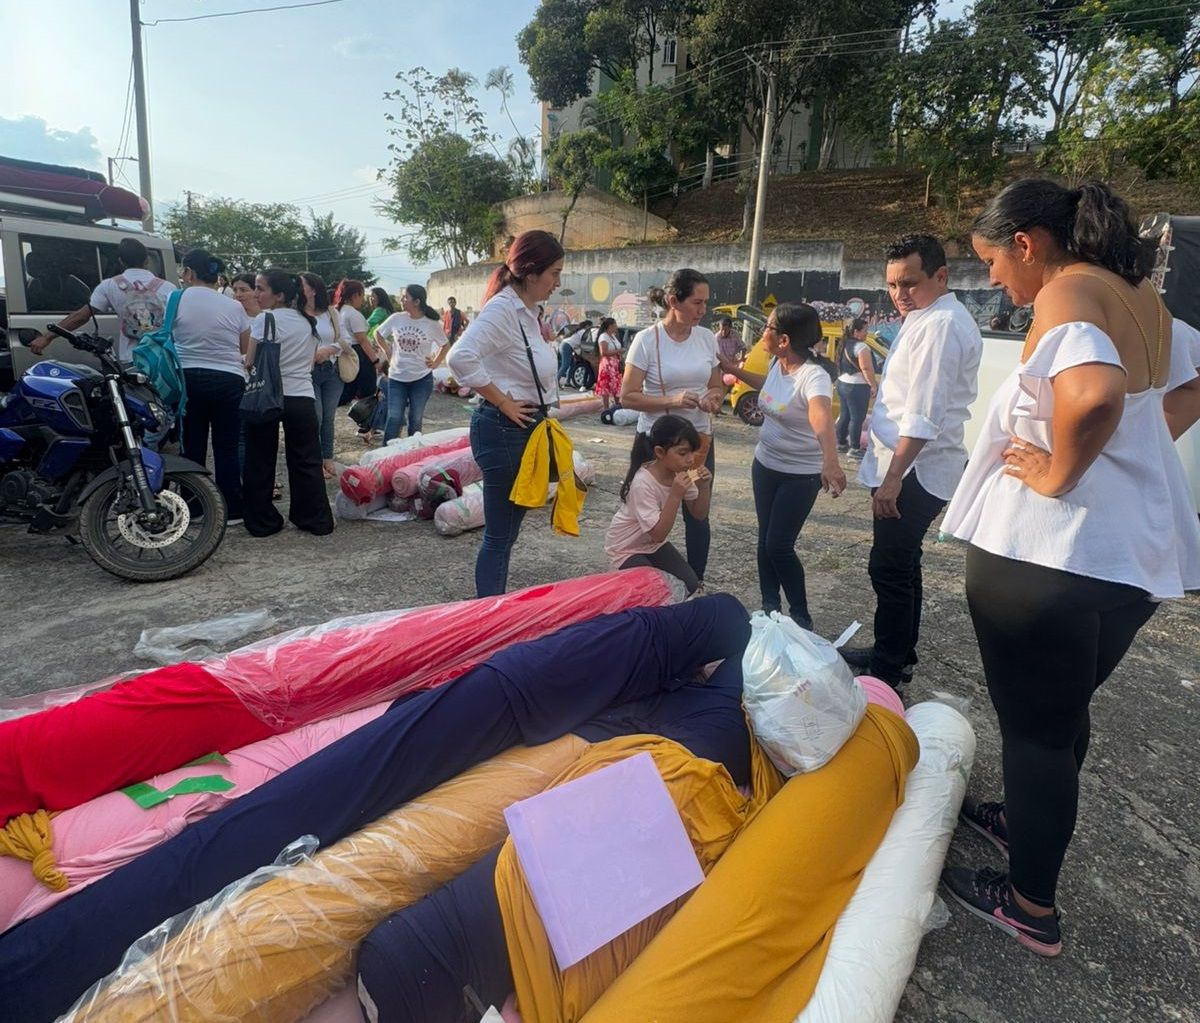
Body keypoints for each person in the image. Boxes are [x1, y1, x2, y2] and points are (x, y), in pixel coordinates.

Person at [938, 179, 1200, 956]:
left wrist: (1058, 473)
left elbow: (1091, 395)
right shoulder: (1140, 296)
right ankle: (1027, 820)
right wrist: (1127, 451)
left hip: (1046, 557)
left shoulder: (1066, 292)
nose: (992, 281)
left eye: (993, 261)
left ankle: (1030, 905)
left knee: (1038, 736)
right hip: (1128, 562)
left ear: (1028, 243)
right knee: (1061, 713)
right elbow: (1184, 388)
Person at [839, 235, 982, 690]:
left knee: (889, 567)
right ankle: (897, 652)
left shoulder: (941, 325)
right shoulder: (927, 317)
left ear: (941, 276)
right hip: (904, 463)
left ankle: (888, 665)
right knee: (902, 564)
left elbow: (924, 413)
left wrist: (894, 478)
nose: (900, 295)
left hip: (915, 468)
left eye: (910, 283)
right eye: (893, 285)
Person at [446, 229, 564, 597]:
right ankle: (488, 616)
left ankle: (492, 608)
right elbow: (459, 358)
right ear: (531, 273)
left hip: (525, 429)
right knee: (499, 535)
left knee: (508, 532)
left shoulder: (526, 310)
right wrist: (502, 400)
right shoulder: (503, 309)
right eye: (554, 273)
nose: (557, 282)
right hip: (503, 429)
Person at [721, 303, 847, 628]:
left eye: (768, 327)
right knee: (765, 540)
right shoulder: (780, 365)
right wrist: (731, 369)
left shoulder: (813, 376)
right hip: (765, 466)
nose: (764, 331)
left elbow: (821, 418)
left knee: (779, 545)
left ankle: (801, 617)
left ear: (784, 339)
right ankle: (769, 607)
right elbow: (768, 386)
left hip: (800, 476)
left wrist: (831, 463)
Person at [620, 270, 724, 586]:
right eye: (697, 302)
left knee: (696, 509)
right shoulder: (646, 340)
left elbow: (717, 385)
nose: (703, 310)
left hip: (697, 442)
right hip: (657, 441)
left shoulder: (707, 338)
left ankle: (696, 581)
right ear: (672, 301)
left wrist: (714, 398)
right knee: (644, 507)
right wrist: (675, 399)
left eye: (705, 303)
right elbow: (628, 396)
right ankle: (635, 571)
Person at [242, 270, 335, 538]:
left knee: (260, 459)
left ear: (279, 295)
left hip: (267, 395)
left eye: (260, 289)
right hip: (302, 395)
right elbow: (308, 362)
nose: (256, 294)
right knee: (306, 460)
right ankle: (314, 518)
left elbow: (250, 361)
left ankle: (263, 521)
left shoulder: (265, 319)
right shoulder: (308, 322)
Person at [173, 248, 250, 523]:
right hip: (229, 379)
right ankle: (233, 510)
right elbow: (244, 348)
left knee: (191, 446)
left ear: (189, 273)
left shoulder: (176, 298)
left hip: (188, 378)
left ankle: (193, 508)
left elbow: (166, 337)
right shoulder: (234, 305)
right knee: (226, 447)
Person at [604, 414, 712, 594]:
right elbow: (658, 534)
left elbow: (699, 514)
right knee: (654, 590)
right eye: (683, 453)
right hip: (625, 547)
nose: (691, 459)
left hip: (651, 544)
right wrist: (675, 496)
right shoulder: (643, 482)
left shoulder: (680, 472)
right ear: (660, 452)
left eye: (693, 452)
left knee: (690, 585)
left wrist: (704, 487)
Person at [30, 237, 175, 364]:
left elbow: (81, 317)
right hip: (164, 359)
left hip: (132, 357)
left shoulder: (109, 285)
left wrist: (47, 337)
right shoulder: (169, 288)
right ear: (147, 260)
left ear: (121, 261)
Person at [372, 283, 448, 441]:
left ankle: (411, 456)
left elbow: (445, 345)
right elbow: (377, 333)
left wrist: (435, 362)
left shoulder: (431, 323)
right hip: (397, 377)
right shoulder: (396, 318)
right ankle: (387, 457)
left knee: (415, 419)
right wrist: (387, 350)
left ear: (417, 301)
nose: (401, 299)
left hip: (421, 378)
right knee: (394, 417)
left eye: (405, 297)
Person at [301, 272, 352, 479]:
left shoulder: (330, 313)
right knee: (316, 416)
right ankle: (315, 461)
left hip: (331, 371)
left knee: (328, 417)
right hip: (307, 372)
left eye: (301, 285)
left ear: (313, 290)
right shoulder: (296, 313)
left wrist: (327, 350)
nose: (298, 288)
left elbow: (345, 339)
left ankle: (327, 459)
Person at [335, 280, 384, 417]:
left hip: (344, 352)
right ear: (355, 295)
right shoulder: (353, 314)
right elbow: (363, 341)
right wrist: (375, 361)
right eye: (362, 296)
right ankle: (366, 423)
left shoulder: (339, 311)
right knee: (367, 391)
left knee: (348, 388)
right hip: (359, 354)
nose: (363, 300)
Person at [835, 318, 877, 457]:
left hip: (842, 383)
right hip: (857, 387)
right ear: (856, 332)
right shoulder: (861, 347)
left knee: (845, 415)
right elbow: (866, 369)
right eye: (865, 330)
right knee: (857, 418)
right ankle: (854, 448)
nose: (867, 333)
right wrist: (873, 385)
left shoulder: (844, 344)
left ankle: (841, 443)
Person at [594, 317, 622, 411]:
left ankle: (617, 404)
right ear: (610, 326)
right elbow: (603, 352)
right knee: (606, 386)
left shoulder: (613, 336)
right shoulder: (603, 337)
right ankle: (606, 408)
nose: (616, 327)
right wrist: (618, 351)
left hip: (615, 364)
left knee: (616, 385)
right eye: (615, 325)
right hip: (607, 365)